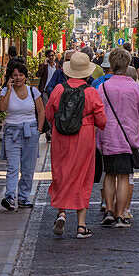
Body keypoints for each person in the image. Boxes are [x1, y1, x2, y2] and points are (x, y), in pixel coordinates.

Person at [45, 51, 107, 239]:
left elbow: (49, 114)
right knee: (83, 176)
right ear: (87, 73)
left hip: (61, 136)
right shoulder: (91, 92)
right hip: (84, 136)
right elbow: (102, 120)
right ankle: (81, 225)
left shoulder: (58, 89)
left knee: (61, 172)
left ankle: (61, 212)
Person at [97, 48, 139, 228]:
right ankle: (120, 214)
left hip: (107, 136)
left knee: (109, 174)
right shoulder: (135, 87)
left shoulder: (103, 87)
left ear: (111, 66)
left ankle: (109, 211)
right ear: (127, 65)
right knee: (123, 177)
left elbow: (97, 114)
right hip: (128, 138)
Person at [0, 59, 45, 210]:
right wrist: (8, 90)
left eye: (20, 75)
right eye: (14, 75)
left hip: (30, 131)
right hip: (12, 131)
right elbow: (2, 109)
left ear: (25, 76)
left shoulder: (33, 91)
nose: (18, 78)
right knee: (12, 166)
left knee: (28, 167)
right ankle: (10, 196)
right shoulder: (6, 91)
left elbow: (41, 111)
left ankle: (24, 197)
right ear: (10, 77)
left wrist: (38, 130)